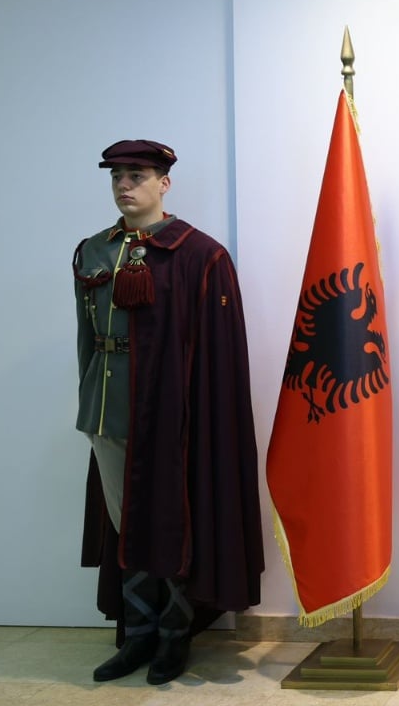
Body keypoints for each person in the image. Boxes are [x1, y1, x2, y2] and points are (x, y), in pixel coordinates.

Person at [72, 139, 264, 684]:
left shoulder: (200, 255)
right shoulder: (93, 252)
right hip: (109, 412)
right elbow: (87, 337)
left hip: (172, 416)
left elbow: (220, 354)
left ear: (164, 183)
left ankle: (175, 636)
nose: (124, 185)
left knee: (171, 524)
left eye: (136, 175)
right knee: (125, 525)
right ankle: (138, 634)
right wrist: (89, 400)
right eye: (116, 177)